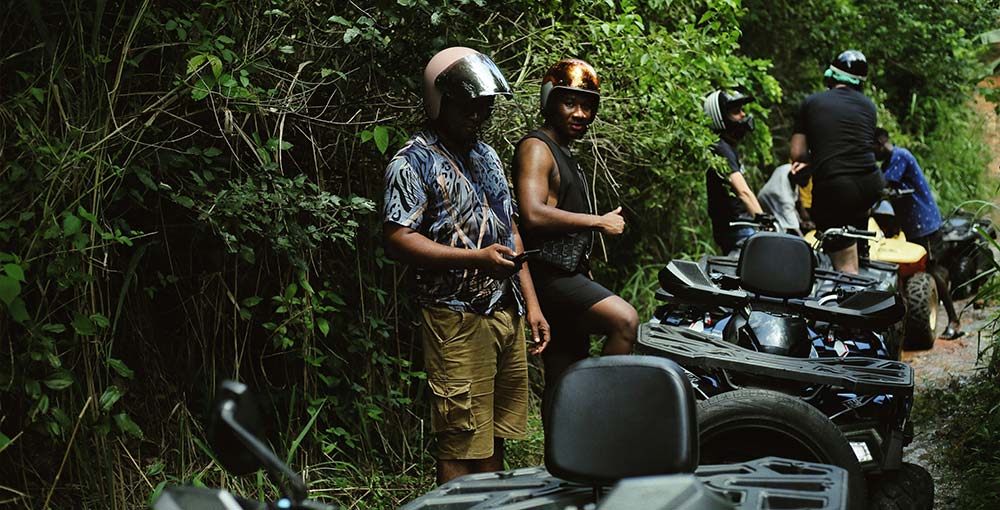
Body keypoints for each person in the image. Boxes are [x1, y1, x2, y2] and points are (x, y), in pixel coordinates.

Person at [382, 47, 550, 485]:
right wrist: (475, 258)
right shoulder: (412, 161)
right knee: (460, 437)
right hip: (454, 316)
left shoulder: (488, 156)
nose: (478, 116)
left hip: (504, 310)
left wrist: (531, 304)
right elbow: (398, 238)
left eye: (485, 107)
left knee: (494, 434)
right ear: (441, 103)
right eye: (469, 107)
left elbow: (510, 230)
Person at [512, 58, 639, 410]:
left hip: (568, 273)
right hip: (549, 278)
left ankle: (564, 452)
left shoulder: (565, 154)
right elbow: (533, 214)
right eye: (570, 103)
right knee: (625, 320)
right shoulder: (537, 148)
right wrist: (598, 222)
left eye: (587, 105)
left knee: (565, 369)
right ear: (550, 101)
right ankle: (602, 410)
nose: (580, 113)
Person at [790, 49, 885, 274]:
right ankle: (862, 259)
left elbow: (797, 153)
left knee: (845, 267)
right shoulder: (868, 107)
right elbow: (856, 146)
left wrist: (816, 157)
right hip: (871, 184)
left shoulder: (812, 102)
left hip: (835, 188)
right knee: (854, 229)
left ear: (830, 77)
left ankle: (850, 293)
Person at [874, 127, 964, 339]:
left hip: (925, 224)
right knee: (916, 272)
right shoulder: (888, 162)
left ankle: (954, 320)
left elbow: (882, 185)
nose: (872, 155)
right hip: (912, 225)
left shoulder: (900, 156)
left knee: (931, 269)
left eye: (871, 149)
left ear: (879, 143)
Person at [703, 89, 765, 254]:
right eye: (736, 112)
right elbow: (743, 191)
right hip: (738, 229)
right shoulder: (720, 148)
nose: (743, 115)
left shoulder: (726, 147)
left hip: (738, 228)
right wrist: (763, 220)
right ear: (721, 118)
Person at [757, 163, 810, 235]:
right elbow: (794, 229)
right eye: (806, 177)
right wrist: (805, 243)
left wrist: (801, 221)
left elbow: (797, 200)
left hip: (768, 195)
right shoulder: (785, 199)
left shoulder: (787, 168)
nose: (808, 179)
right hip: (764, 206)